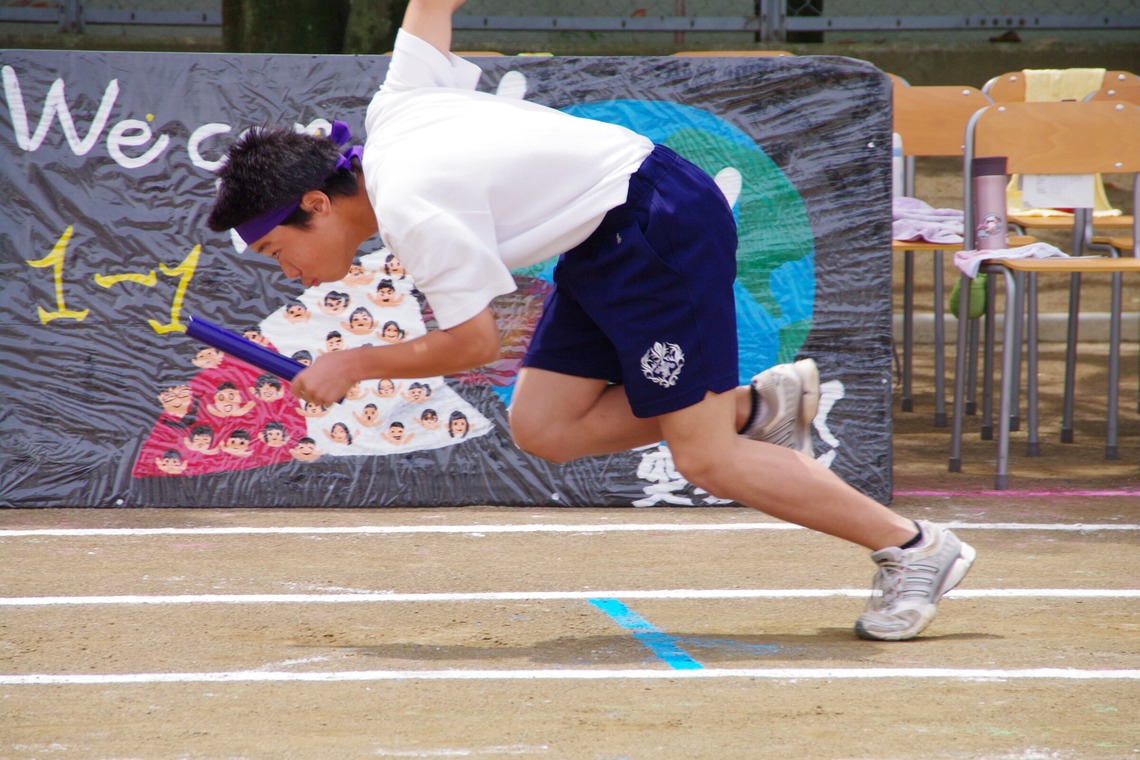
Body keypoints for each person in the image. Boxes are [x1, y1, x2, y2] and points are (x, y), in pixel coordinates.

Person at [206, 0, 974, 641]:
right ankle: (755, 405)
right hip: (602, 239)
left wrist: (354, 363)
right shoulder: (394, 104)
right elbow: (430, 9)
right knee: (545, 427)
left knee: (704, 457)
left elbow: (477, 343)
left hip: (656, 224)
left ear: (316, 204)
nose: (290, 274)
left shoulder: (411, 207)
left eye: (280, 250)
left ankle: (914, 548)